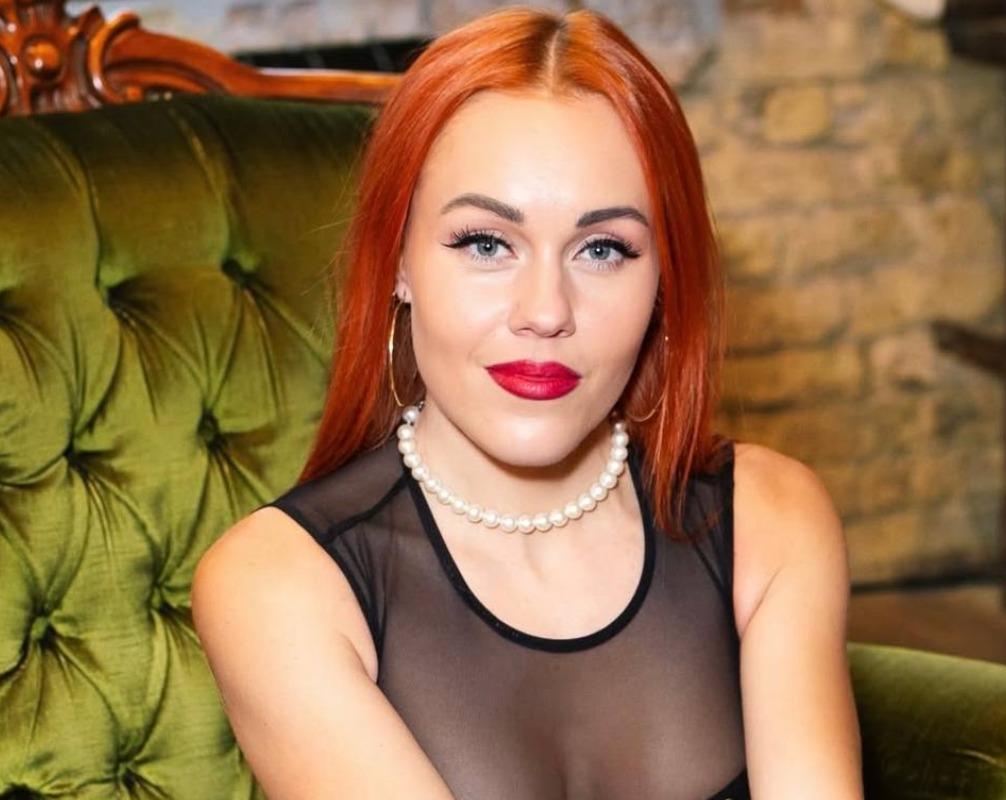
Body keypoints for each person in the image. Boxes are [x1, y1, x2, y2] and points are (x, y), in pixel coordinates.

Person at [191, 5, 863, 798]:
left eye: (603, 249)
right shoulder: (276, 587)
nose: (545, 311)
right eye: (486, 243)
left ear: (663, 282)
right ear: (398, 260)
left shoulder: (769, 520)